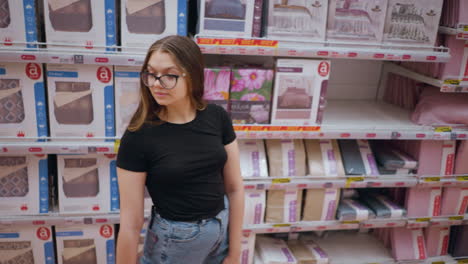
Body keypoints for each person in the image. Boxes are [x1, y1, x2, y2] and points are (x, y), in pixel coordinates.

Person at [116, 35, 244, 264]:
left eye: (169, 75)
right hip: (174, 246)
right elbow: (130, 222)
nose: (156, 83)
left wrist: (235, 253)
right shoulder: (138, 136)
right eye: (151, 73)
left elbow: (234, 189)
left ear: (192, 76)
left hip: (220, 234)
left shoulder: (217, 117)